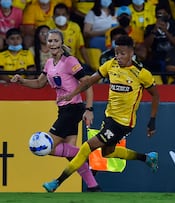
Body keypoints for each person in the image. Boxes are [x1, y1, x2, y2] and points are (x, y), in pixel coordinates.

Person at [41, 35, 160, 193]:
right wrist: (72, 94)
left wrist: (152, 120)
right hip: (109, 117)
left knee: (86, 147)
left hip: (123, 123)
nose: (118, 56)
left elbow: (155, 95)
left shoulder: (141, 73)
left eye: (122, 53)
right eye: (116, 52)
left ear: (132, 53)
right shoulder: (111, 65)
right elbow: (89, 81)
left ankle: (57, 182)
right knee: (107, 152)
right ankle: (147, 158)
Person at [10, 29, 101, 192]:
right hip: (63, 110)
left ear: (61, 43)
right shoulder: (49, 63)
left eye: (55, 41)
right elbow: (39, 83)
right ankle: (94, 186)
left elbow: (87, 83)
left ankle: (88, 154)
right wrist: (21, 81)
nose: (52, 44)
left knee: (45, 147)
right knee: (70, 154)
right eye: (49, 41)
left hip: (73, 109)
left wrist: (89, 108)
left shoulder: (70, 61)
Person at [47, 3, 94, 74]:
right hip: (55, 61)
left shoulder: (75, 27)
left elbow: (81, 47)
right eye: (58, 15)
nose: (61, 17)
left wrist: (88, 64)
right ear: (53, 17)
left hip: (73, 61)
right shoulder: (48, 27)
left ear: (68, 16)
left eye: (63, 15)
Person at [144, 3, 175, 82]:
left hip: (173, 57)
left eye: (164, 14)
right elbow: (146, 46)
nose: (161, 16)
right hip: (156, 58)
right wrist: (154, 30)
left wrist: (166, 31)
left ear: (168, 15)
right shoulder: (150, 27)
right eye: (159, 14)